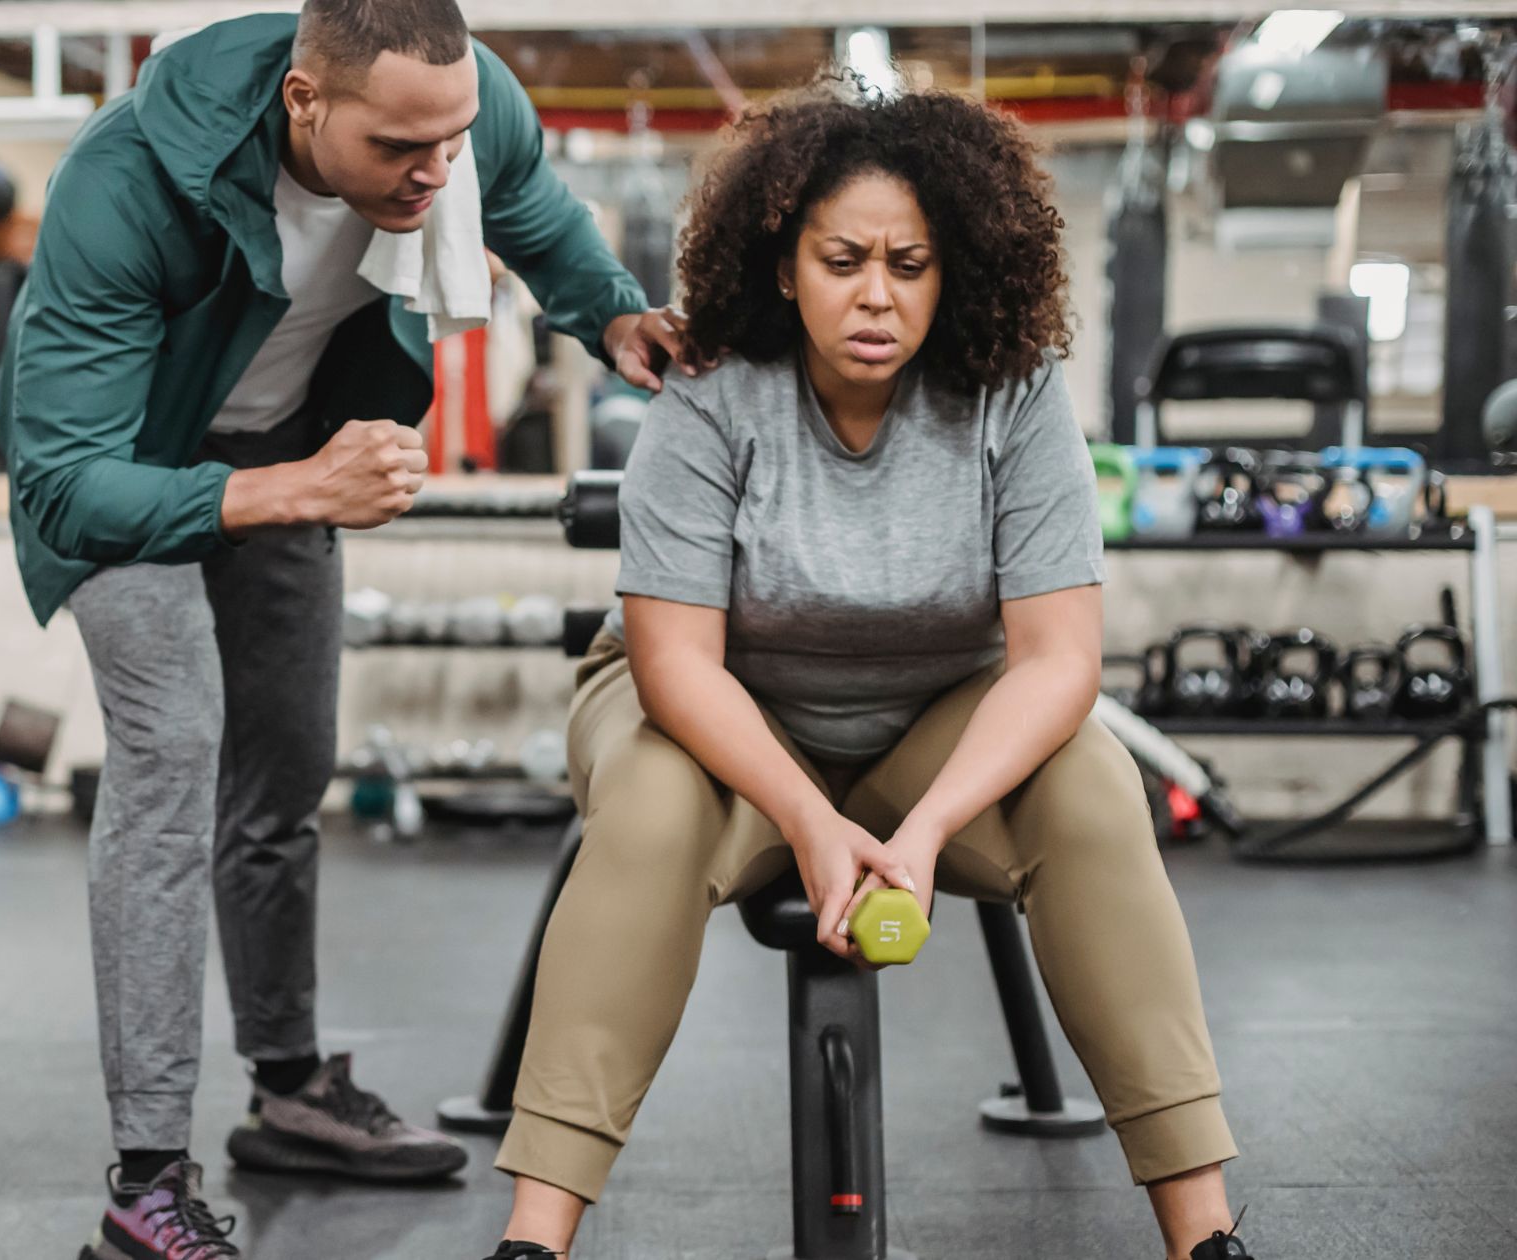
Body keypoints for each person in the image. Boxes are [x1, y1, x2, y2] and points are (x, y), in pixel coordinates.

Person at [476, 82, 1258, 1260]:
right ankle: (532, 1242)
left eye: (910, 263)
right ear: (784, 265)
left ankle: (1205, 1239)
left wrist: (931, 826)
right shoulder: (712, 388)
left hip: (933, 724)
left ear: (955, 272)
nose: (877, 294)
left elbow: (1055, 663)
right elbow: (675, 664)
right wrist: (802, 815)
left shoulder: (1013, 392)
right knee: (638, 811)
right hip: (717, 723)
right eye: (842, 259)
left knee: (1094, 787)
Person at [0, 2, 684, 1256]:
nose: (437, 172)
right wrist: (301, 491)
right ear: (305, 103)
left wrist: (616, 315)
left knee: (287, 772)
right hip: (123, 476)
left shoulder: (457, 113)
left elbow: (528, 207)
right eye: (402, 152)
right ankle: (144, 1177)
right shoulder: (125, 182)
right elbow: (61, 482)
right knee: (172, 755)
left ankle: (289, 1085)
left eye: (451, 141)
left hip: (280, 449)